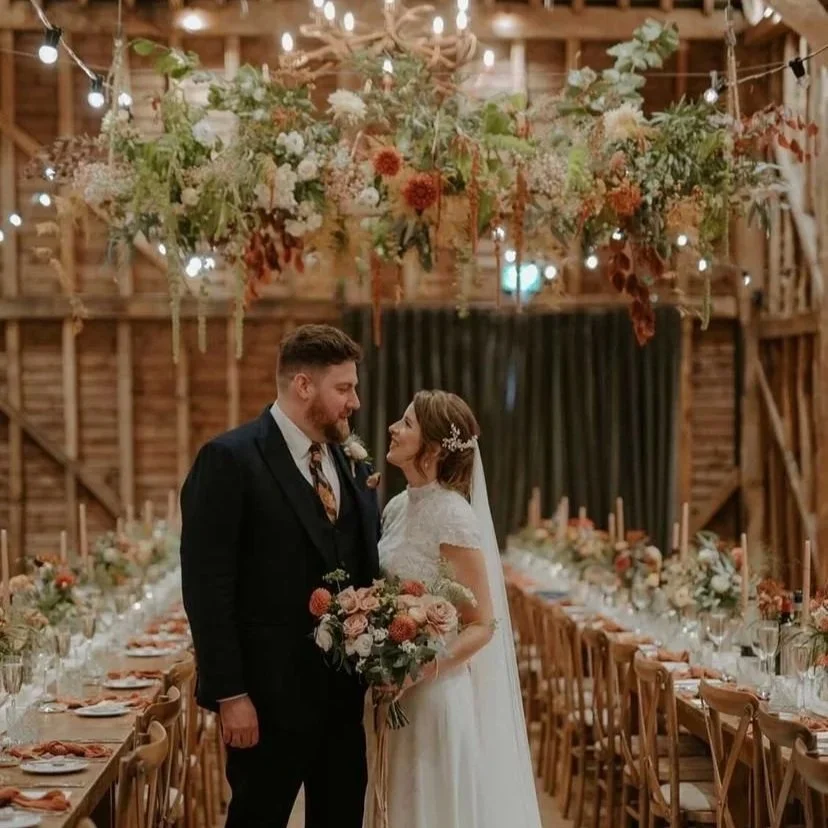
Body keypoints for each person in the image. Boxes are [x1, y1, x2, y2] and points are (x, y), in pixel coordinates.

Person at [180, 324, 381, 828]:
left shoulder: (347, 463)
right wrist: (230, 695)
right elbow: (208, 586)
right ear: (303, 386)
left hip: (341, 704)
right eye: (344, 388)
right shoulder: (230, 459)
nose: (354, 401)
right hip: (265, 704)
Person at [376, 389, 542, 828]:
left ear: (431, 448)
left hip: (432, 693)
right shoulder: (396, 507)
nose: (393, 428)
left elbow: (483, 623)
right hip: (391, 690)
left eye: (407, 423)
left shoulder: (453, 515)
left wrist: (419, 669)